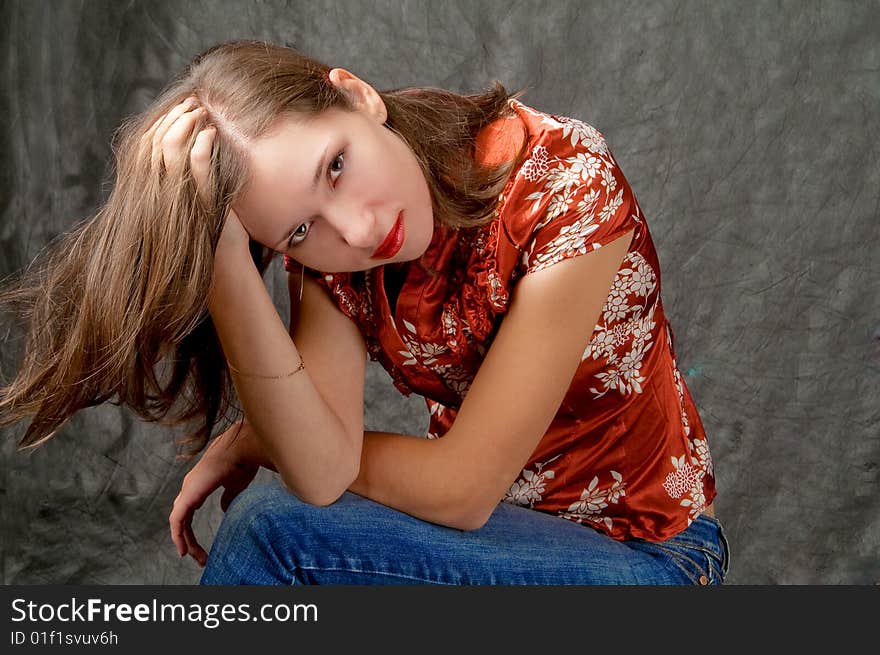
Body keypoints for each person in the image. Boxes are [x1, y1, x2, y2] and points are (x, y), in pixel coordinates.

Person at [0, 40, 729, 585]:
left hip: (649, 556)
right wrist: (222, 257)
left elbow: (461, 488)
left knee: (270, 530)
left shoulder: (563, 183)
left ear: (357, 97)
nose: (351, 232)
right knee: (283, 518)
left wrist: (267, 440)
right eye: (296, 230)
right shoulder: (328, 264)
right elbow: (321, 472)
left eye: (336, 166)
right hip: (484, 550)